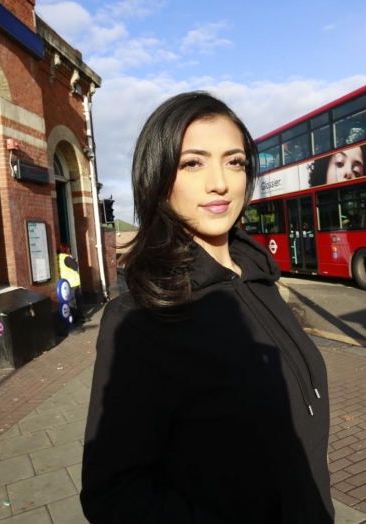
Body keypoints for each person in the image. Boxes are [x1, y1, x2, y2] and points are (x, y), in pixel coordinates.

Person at [80, 91, 334, 522]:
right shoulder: (140, 320)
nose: (220, 182)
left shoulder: (259, 280)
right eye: (192, 163)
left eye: (234, 161)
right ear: (159, 179)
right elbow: (114, 495)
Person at [57, 244, 85, 329]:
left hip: (65, 285)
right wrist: (73, 259)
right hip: (73, 284)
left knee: (70, 302)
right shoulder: (66, 258)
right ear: (67, 250)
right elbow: (75, 267)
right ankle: (78, 319)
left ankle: (74, 318)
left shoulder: (58, 258)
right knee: (76, 301)